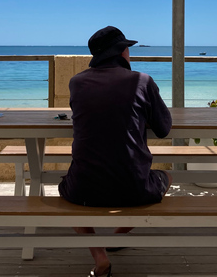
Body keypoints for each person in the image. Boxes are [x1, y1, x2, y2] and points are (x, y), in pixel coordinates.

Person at [58, 26, 173, 277]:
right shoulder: (142, 81)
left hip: (83, 191)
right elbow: (164, 128)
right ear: (122, 52)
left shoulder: (76, 82)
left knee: (71, 189)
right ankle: (116, 237)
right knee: (167, 178)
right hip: (135, 189)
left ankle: (100, 257)